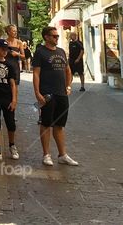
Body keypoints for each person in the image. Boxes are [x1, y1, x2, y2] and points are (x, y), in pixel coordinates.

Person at [32, 26, 78, 166]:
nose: (56, 38)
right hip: (47, 93)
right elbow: (36, 74)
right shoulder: (40, 52)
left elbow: (68, 71)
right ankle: (46, 154)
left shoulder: (61, 51)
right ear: (46, 37)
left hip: (61, 93)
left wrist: (68, 86)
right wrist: (37, 93)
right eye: (54, 36)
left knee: (59, 125)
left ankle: (62, 154)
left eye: (57, 36)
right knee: (46, 124)